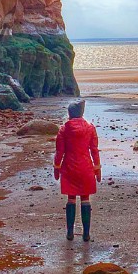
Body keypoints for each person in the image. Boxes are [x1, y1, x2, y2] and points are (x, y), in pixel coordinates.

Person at [53, 99, 101, 241]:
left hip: (69, 167)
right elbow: (94, 150)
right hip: (85, 167)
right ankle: (86, 234)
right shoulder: (90, 128)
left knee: (71, 198)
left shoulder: (63, 129)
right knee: (85, 198)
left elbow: (59, 151)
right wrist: (97, 168)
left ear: (69, 113)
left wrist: (56, 167)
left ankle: (70, 232)